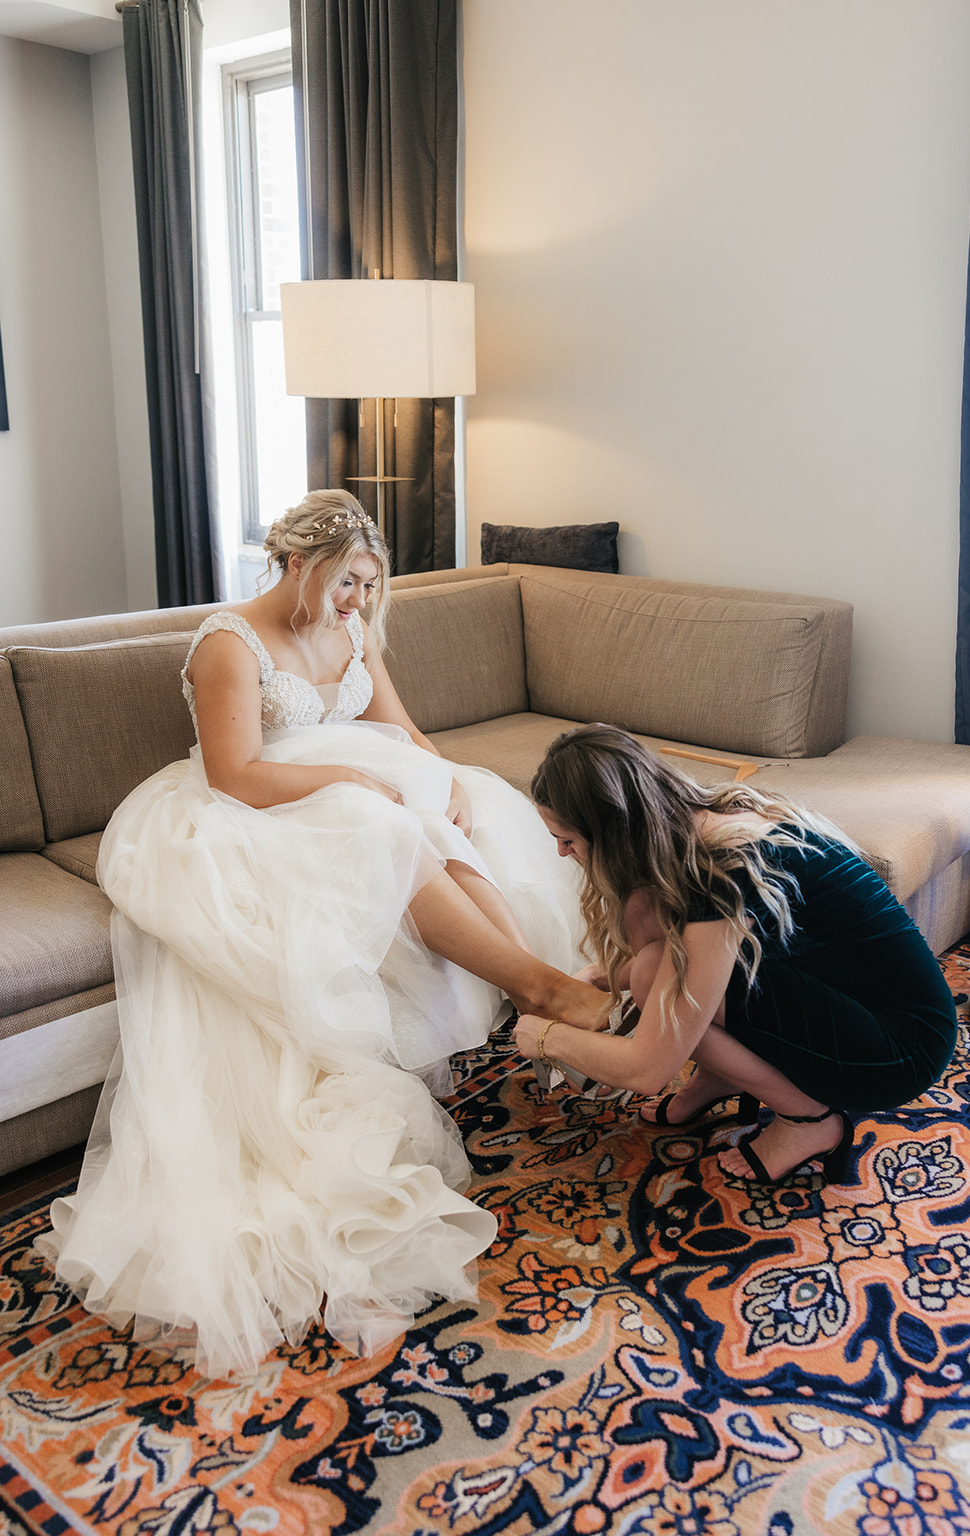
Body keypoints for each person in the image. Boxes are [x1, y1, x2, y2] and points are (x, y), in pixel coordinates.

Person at [37, 490, 597, 1377]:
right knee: (385, 829)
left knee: (470, 809)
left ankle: (536, 991)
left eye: (370, 587)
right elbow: (235, 772)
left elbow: (397, 728)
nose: (356, 603)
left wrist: (437, 771)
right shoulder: (230, 644)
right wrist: (352, 783)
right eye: (346, 583)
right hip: (246, 814)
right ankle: (543, 993)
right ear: (299, 564)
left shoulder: (356, 626)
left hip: (344, 791)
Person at [515, 725, 958, 1188]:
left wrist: (546, 1036)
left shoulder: (720, 871)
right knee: (652, 966)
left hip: (901, 1050)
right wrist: (606, 976)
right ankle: (721, 1076)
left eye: (567, 839)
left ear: (613, 830)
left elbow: (646, 1070)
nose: (561, 852)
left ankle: (809, 1120)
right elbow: (681, 948)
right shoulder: (707, 817)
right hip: (866, 1002)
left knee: (652, 976)